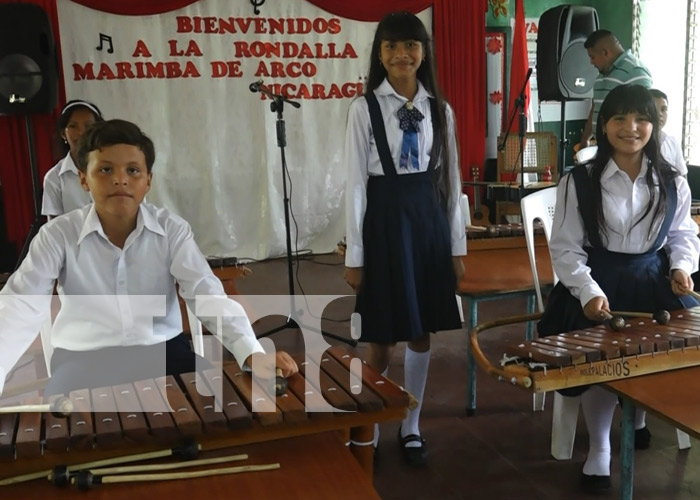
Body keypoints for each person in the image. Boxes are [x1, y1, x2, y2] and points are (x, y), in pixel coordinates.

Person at [0, 119, 297, 396]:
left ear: (148, 180)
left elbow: (207, 294)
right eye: (105, 170)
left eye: (132, 170)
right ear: (83, 179)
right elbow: (21, 305)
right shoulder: (57, 235)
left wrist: (251, 351)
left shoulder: (172, 230)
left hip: (164, 351)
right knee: (66, 438)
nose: (120, 180)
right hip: (83, 360)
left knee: (222, 406)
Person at [539, 85, 699, 493]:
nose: (632, 128)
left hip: (653, 280)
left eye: (642, 118)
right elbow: (566, 247)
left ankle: (640, 416)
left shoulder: (672, 180)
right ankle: (600, 449)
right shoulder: (580, 180)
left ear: (655, 124)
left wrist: (681, 267)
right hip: (598, 280)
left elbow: (682, 233)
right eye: (620, 119)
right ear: (604, 125)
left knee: (677, 341)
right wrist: (587, 291)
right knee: (601, 357)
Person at [343, 11, 466, 466]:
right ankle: (371, 420)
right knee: (381, 336)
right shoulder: (364, 109)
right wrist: (355, 254)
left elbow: (450, 181)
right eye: (392, 46)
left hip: (428, 222)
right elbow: (356, 184)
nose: (402, 54)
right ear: (380, 54)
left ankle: (411, 423)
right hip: (385, 222)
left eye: (411, 45)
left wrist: (457, 248)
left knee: (419, 330)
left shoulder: (441, 110)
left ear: (423, 52)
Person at [581, 30, 652, 147]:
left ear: (605, 53)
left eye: (592, 57)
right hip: (603, 147)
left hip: (624, 148)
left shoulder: (635, 71)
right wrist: (585, 140)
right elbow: (595, 108)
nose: (591, 62)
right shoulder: (602, 74)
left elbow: (646, 115)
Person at [42, 99, 104, 219]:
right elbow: (53, 229)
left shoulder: (117, 167)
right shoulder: (54, 178)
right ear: (63, 134)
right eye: (73, 126)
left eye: (88, 126)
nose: (81, 132)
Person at [650, 88, 687, 176]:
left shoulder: (672, 142)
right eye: (654, 109)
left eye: (663, 109)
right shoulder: (636, 143)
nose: (660, 114)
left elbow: (682, 175)